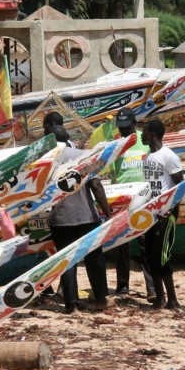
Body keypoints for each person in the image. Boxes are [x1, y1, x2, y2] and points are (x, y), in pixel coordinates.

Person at [46, 124, 112, 313]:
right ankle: (100, 300)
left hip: (61, 219)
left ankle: (72, 304)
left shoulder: (46, 161)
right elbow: (97, 185)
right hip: (86, 217)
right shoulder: (82, 156)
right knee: (95, 260)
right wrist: (107, 213)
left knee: (67, 261)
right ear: (67, 137)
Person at [110, 108, 155, 299]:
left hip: (144, 199)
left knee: (146, 245)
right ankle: (123, 286)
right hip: (122, 202)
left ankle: (151, 287)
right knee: (122, 246)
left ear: (134, 124)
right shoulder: (115, 145)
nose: (123, 131)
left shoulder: (144, 142)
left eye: (126, 127)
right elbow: (112, 175)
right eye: (120, 128)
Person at [141, 118, 184, 310]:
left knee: (162, 257)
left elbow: (180, 186)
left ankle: (173, 300)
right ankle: (160, 299)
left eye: (143, 132)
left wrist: (171, 211)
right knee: (150, 256)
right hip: (151, 214)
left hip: (165, 216)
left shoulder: (169, 156)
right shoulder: (148, 156)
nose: (141, 135)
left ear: (152, 134)